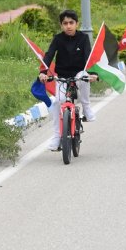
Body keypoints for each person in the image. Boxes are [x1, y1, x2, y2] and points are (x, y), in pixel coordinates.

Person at [39, 10, 97, 151]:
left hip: (78, 75)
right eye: (65, 23)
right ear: (61, 25)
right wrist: (43, 72)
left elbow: (89, 57)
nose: (68, 26)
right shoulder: (58, 39)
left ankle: (86, 107)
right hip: (63, 77)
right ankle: (57, 136)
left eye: (71, 23)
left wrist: (92, 73)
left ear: (76, 24)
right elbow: (49, 55)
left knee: (84, 76)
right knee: (58, 102)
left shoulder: (83, 38)